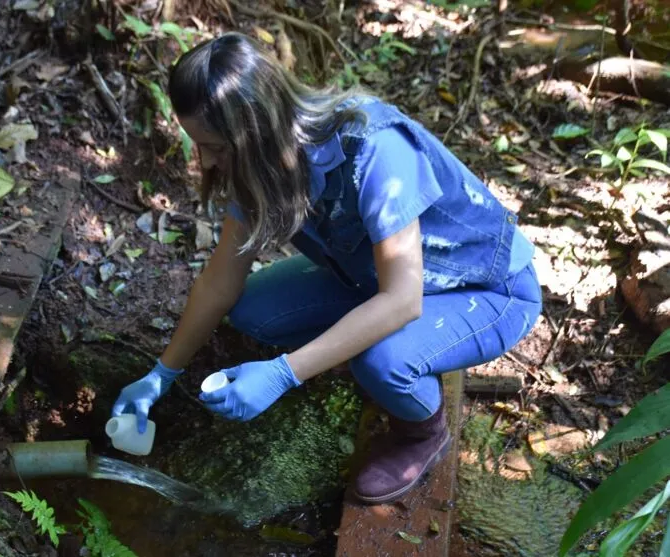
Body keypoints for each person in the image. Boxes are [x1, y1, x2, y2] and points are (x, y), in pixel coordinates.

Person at [110, 32, 542, 504]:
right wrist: (161, 374)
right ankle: (374, 346)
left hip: (486, 291)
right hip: (375, 279)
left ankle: (422, 431)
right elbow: (221, 281)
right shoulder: (257, 162)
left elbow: (402, 300)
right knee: (255, 310)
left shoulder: (376, 150)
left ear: (255, 130)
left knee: (382, 362)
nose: (208, 160)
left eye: (215, 146)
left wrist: (282, 374)